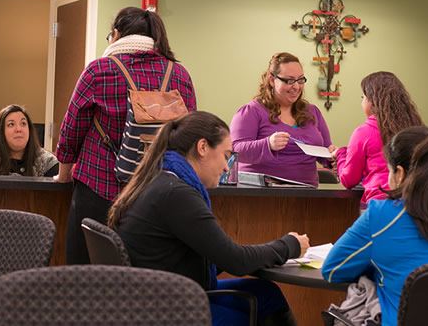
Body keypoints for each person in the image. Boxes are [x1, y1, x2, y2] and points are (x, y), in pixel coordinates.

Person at [110, 111, 308, 326]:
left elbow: (222, 255)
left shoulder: (161, 181)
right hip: (167, 309)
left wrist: (254, 252)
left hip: (156, 296)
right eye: (226, 155)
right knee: (250, 312)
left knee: (266, 293)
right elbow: (236, 261)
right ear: (202, 147)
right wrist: (289, 245)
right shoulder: (176, 194)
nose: (226, 167)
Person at [54, 7, 197, 264]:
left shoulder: (100, 70)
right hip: (155, 192)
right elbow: (189, 131)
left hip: (100, 187)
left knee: (86, 275)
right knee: (141, 276)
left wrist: (63, 174)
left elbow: (72, 128)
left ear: (116, 34)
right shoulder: (179, 74)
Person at [322, 126, 428, 326]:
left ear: (400, 174)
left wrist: (379, 265)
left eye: (389, 169)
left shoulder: (382, 215)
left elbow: (332, 270)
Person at [230, 52, 334, 186]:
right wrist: (268, 144)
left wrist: (333, 157)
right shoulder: (251, 111)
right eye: (289, 80)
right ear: (272, 80)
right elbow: (234, 151)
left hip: (306, 193)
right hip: (261, 192)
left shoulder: (312, 112)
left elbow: (326, 150)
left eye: (300, 80)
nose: (296, 87)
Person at [330, 72, 423, 209]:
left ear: (373, 101)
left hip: (380, 204)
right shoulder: (415, 128)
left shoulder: (364, 132)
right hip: (414, 203)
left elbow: (348, 179)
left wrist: (340, 154)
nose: (362, 102)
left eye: (363, 97)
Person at [0, 104, 58, 177]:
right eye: (11, 124)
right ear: (0, 132)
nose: (19, 129)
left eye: (23, 123)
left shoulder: (47, 162)